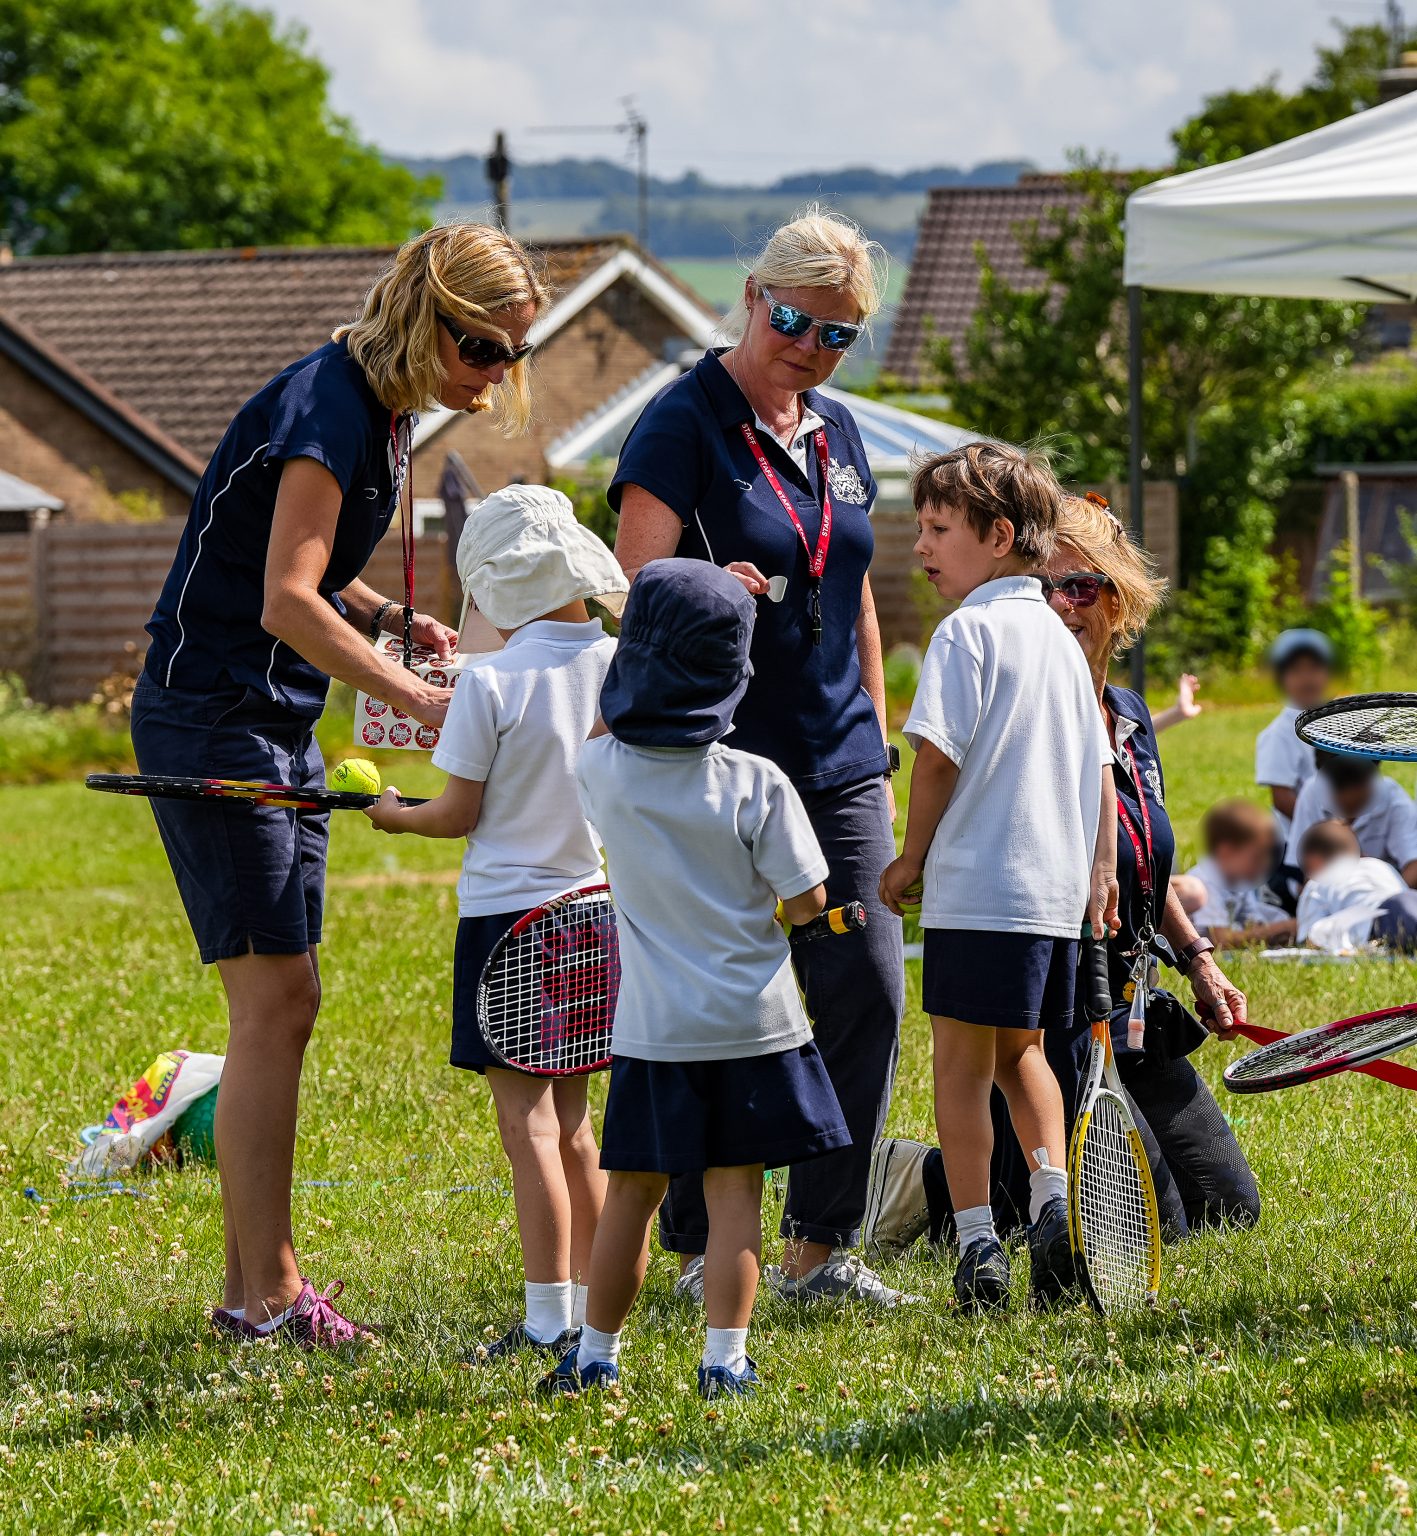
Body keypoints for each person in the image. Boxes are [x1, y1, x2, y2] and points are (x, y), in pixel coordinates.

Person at [131, 224, 548, 1345]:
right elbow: (282, 600)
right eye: (481, 345)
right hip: (214, 716)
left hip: (269, 721)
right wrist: (420, 698)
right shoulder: (331, 405)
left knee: (286, 999)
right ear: (425, 313)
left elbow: (314, 576)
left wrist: (380, 614)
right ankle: (268, 1296)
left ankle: (249, 1291)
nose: (497, 372)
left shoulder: (382, 405)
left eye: (515, 351)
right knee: (275, 1001)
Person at [608, 209, 908, 1308]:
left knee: (867, 979)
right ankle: (695, 1249)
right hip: (714, 759)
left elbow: (855, 585)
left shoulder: (836, 430)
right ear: (750, 296)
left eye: (837, 335)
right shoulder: (678, 424)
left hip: (833, 761)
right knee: (715, 995)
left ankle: (821, 1247)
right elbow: (636, 596)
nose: (811, 348)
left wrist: (873, 733)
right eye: (795, 321)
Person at [867, 491, 1259, 1260]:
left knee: (1227, 1208)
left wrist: (1199, 959)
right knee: (1152, 1223)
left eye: (1081, 587)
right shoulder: (1015, 693)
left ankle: (983, 1185)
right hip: (1057, 1008)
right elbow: (937, 764)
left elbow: (1145, 862)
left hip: (1134, 1015)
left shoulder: (1130, 717)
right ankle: (927, 1183)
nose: (1061, 604)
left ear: (1118, 598)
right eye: (1049, 586)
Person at [543, 561, 851, 1398]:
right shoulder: (757, 784)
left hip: (653, 1033)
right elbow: (806, 903)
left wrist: (690, 595)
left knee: (630, 1199)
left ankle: (596, 1356)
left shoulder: (599, 772)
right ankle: (724, 1363)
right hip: (755, 1028)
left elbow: (616, 720)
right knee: (735, 1200)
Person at [363, 485, 626, 1358]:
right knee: (579, 1124)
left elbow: (456, 813)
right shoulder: (621, 665)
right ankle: (596, 1309)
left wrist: (397, 814)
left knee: (528, 1129)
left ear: (488, 586)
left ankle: (547, 1317)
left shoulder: (493, 682)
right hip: (596, 914)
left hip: (509, 923)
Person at [878, 443, 1115, 1312]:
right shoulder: (1060, 640)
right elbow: (1096, 767)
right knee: (1023, 1057)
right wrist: (1098, 869)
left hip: (980, 888)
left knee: (958, 1064)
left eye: (938, 529)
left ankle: (978, 1240)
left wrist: (910, 857)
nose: (922, 548)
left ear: (999, 535)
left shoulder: (966, 632)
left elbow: (936, 760)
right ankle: (1051, 1203)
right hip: (1050, 899)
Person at [1171, 799, 1294, 948]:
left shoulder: (1240, 881)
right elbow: (1221, 940)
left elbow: (1252, 923)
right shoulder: (1205, 882)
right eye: (1256, 858)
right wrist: (1281, 928)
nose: (1263, 866)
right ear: (1226, 852)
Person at [1285, 752, 1417, 885]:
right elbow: (1298, 876)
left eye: (1359, 787)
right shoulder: (1311, 793)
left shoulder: (1393, 799)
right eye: (1339, 787)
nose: (1349, 797)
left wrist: (1390, 899)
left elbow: (1413, 864)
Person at [1294, 820, 1417, 953]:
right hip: (1410, 899)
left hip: (1386, 919)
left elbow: (1311, 941)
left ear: (1313, 861)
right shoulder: (1379, 865)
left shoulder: (1315, 884)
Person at [1255, 629, 1331, 838]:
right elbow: (1282, 798)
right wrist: (1324, 830)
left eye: (1315, 668)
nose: (1307, 678)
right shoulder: (1278, 734)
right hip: (1303, 841)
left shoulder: (1336, 719)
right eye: (1296, 671)